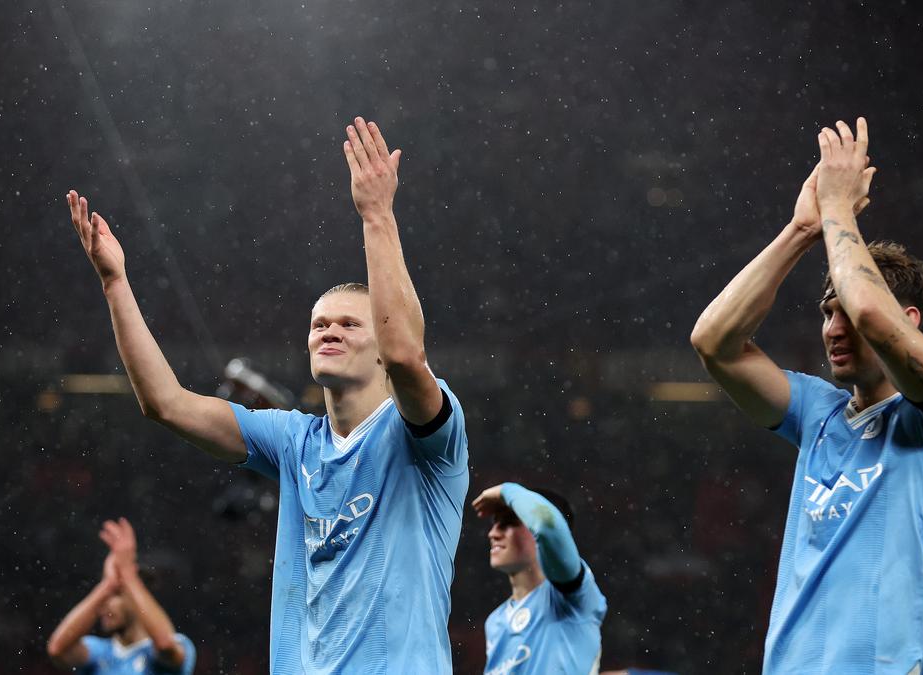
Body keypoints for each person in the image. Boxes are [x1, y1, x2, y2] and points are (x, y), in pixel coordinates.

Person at [64, 117, 468, 673]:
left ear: (380, 345)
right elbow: (166, 403)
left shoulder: (426, 435)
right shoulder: (292, 440)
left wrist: (377, 214)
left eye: (350, 325)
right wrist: (115, 283)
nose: (328, 331)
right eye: (318, 323)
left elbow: (406, 356)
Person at [689, 117, 923, 673]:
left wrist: (839, 209)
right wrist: (803, 230)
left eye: (843, 311)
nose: (833, 327)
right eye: (826, 313)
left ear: (912, 322)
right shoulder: (818, 413)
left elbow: (873, 314)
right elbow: (714, 341)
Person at [472, 483, 606, 675]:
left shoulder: (570, 597)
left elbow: (546, 524)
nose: (493, 533)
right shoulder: (495, 622)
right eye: (495, 523)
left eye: (509, 522)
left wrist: (508, 490)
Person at [46, 518, 195, 674]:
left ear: (136, 598)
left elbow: (165, 644)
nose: (103, 604)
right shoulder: (99, 653)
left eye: (115, 595)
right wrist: (108, 586)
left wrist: (127, 573)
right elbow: (57, 649)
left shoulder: (178, 646)